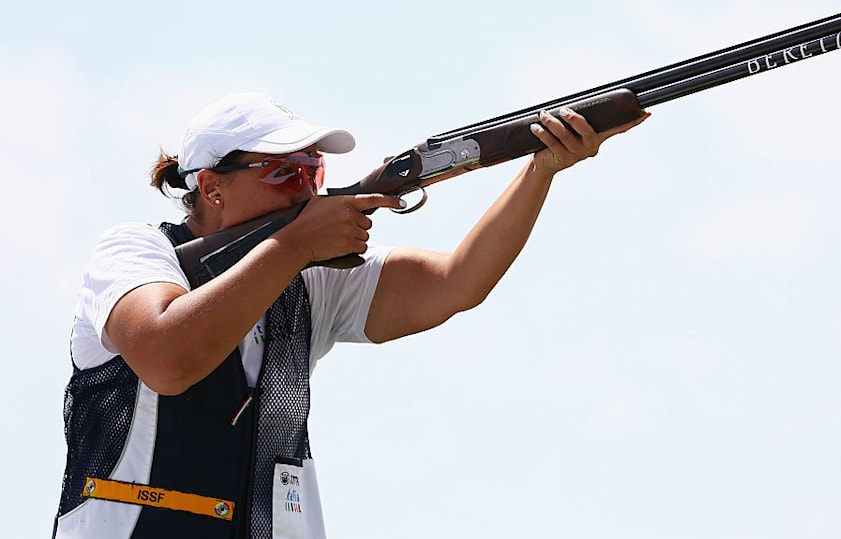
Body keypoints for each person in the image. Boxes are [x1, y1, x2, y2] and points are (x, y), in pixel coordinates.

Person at [53, 92, 650, 538]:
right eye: (286, 173)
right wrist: (291, 247)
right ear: (211, 187)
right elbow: (169, 358)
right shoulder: (137, 250)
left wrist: (540, 168)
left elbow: (457, 282)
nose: (309, 192)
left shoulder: (310, 277)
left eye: (314, 172)